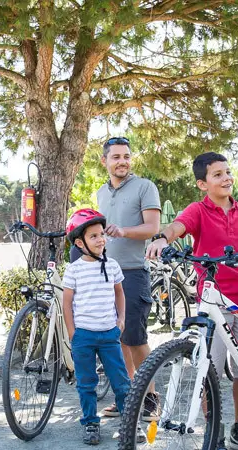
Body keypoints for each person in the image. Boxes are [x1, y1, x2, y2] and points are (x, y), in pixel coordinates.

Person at [146, 152, 238, 450]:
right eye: (217, 175)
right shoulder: (198, 211)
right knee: (207, 370)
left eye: (227, 172)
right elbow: (177, 228)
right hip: (212, 304)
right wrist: (162, 238)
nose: (226, 178)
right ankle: (215, 433)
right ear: (202, 184)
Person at [77, 136, 161, 420]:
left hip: (133, 272)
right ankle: (126, 396)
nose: (122, 161)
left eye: (126, 156)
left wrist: (124, 231)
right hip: (105, 275)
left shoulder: (144, 187)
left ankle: (150, 399)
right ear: (105, 161)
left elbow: (152, 227)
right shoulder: (101, 192)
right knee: (117, 340)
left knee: (136, 339)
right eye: (116, 157)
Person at [62, 209, 139, 445]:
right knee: (86, 383)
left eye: (101, 234)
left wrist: (121, 320)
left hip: (109, 334)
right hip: (83, 336)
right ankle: (90, 424)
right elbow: (67, 303)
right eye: (93, 236)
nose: (100, 239)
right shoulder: (74, 269)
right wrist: (73, 333)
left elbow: (119, 293)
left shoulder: (113, 265)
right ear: (80, 242)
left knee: (121, 382)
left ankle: (128, 425)